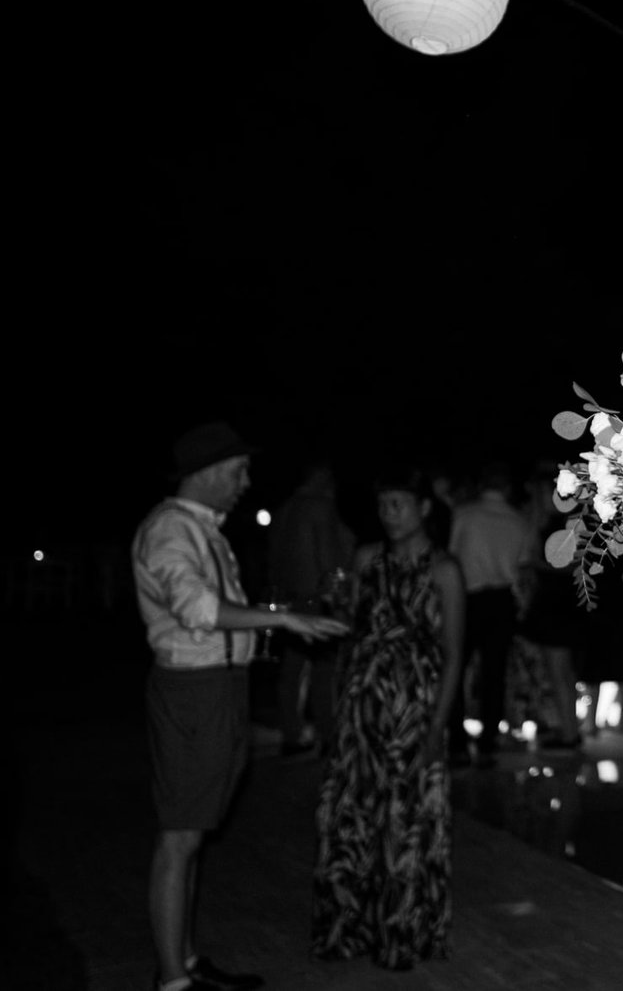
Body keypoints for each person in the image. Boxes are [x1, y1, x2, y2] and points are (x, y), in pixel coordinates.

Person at [134, 420, 348, 991]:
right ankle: (172, 979)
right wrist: (283, 619)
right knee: (179, 837)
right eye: (238, 471)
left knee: (194, 833)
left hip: (218, 688)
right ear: (206, 472)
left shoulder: (202, 528)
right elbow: (197, 609)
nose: (246, 482)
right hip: (194, 691)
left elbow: (216, 608)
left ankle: (184, 961)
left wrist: (273, 618)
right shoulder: (170, 529)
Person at [311, 466, 464, 970]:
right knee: (353, 813)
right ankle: (348, 926)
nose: (389, 514)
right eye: (383, 506)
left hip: (413, 707)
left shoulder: (444, 569)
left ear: (424, 509)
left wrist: (437, 728)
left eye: (399, 504)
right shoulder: (365, 558)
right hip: (364, 701)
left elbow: (454, 655)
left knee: (406, 819)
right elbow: (352, 628)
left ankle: (400, 931)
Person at [265, 456, 356, 757]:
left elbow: (273, 561)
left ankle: (291, 734)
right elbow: (329, 560)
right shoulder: (319, 506)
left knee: (291, 671)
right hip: (316, 599)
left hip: (289, 600)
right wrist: (339, 600)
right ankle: (327, 735)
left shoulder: (283, 510)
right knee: (324, 670)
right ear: (321, 477)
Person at [447, 460, 532, 765]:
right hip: (501, 600)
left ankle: (457, 741)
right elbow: (523, 566)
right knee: (494, 673)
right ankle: (488, 741)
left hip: (467, 598)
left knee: (455, 668)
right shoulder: (518, 520)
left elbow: (450, 556)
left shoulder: (464, 514)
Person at [517, 465, 584, 749]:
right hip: (557, 601)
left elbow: (569, 566)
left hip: (557, 602)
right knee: (561, 672)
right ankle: (568, 729)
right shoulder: (559, 522)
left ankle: (569, 732)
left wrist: (535, 564)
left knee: (559, 672)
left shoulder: (561, 524)